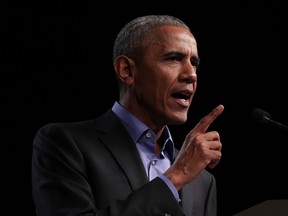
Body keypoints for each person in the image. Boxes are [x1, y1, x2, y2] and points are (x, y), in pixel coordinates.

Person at [31, 14, 224, 216]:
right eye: (174, 58)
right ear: (127, 70)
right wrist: (176, 176)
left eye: (194, 63)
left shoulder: (203, 180)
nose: (191, 75)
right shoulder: (64, 143)